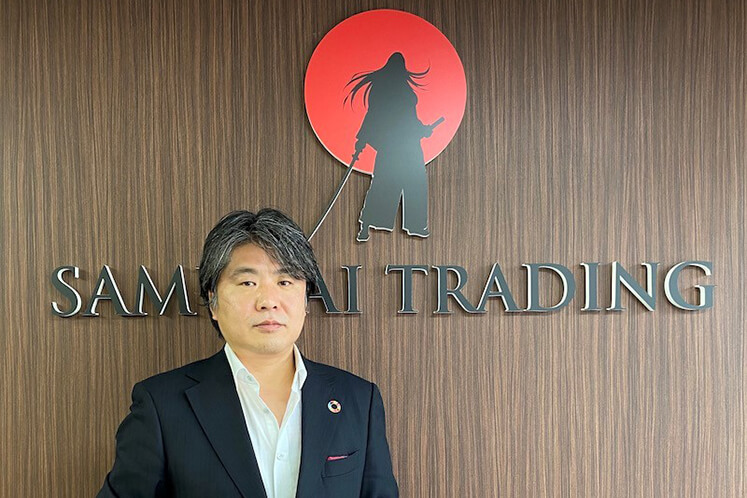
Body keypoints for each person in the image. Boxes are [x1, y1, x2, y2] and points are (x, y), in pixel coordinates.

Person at [97, 209, 398, 497]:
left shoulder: (358, 399)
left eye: (284, 281)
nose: (268, 301)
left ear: (306, 300)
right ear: (213, 301)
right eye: (247, 282)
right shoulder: (162, 405)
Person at [346, 52, 435, 242]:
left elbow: (409, 119)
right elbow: (375, 115)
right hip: (399, 146)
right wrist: (362, 139)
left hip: (403, 145)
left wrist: (422, 129)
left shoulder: (391, 89)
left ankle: (374, 225)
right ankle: (370, 225)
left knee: (401, 183)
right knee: (393, 183)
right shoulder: (390, 91)